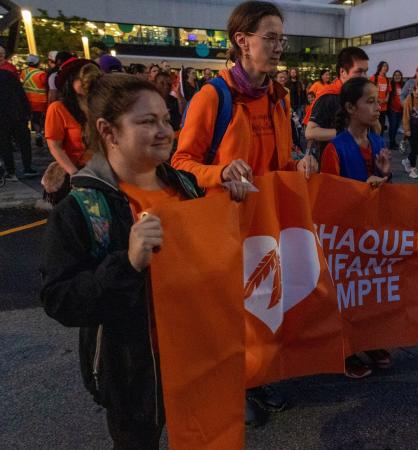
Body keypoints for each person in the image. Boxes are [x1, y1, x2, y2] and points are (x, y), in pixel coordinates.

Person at [40, 72, 248, 450]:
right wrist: (129, 263)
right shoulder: (83, 209)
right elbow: (61, 300)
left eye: (167, 119)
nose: (164, 131)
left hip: (200, 355)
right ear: (108, 131)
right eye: (147, 121)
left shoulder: (184, 186)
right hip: (135, 373)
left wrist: (228, 204)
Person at [171, 1, 316, 425]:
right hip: (224, 230)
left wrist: (301, 163)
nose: (277, 48)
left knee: (265, 306)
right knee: (231, 313)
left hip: (269, 226)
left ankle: (258, 375)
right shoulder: (212, 96)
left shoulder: (277, 97)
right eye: (269, 38)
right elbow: (180, 162)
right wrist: (218, 173)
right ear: (242, 41)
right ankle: (235, 386)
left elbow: (282, 163)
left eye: (280, 39)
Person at [320, 77, 393, 378]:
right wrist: (365, 188)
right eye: (370, 101)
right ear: (351, 107)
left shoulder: (377, 142)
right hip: (344, 237)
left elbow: (388, 193)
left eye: (378, 100)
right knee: (344, 294)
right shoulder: (334, 150)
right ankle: (344, 349)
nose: (378, 107)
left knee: (368, 291)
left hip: (370, 233)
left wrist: (385, 175)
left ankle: (369, 340)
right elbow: (327, 203)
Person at [45, 59, 101, 203]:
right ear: (70, 80)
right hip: (75, 176)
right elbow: (54, 146)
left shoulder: (100, 107)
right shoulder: (58, 108)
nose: (86, 82)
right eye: (80, 78)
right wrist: (75, 175)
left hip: (101, 173)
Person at [305, 47, 370, 158]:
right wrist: (348, 134)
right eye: (359, 71)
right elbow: (310, 132)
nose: (364, 77)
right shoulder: (329, 95)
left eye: (366, 71)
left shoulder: (360, 93)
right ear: (342, 72)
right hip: (334, 164)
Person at [0, 70, 35, 181]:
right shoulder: (8, 74)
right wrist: (27, 111)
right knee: (24, 142)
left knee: (5, 143)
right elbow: (21, 93)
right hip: (18, 113)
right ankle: (27, 168)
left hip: (3, 117)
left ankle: (11, 171)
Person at [22, 54, 48, 148]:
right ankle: (39, 134)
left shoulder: (23, 72)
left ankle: (34, 135)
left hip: (26, 100)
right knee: (39, 118)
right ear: (38, 63)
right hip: (39, 101)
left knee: (32, 118)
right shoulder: (41, 74)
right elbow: (46, 86)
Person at [369, 61, 391, 136]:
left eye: (386, 66)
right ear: (380, 67)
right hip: (374, 107)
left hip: (383, 108)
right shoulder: (374, 78)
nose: (385, 68)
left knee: (381, 127)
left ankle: (379, 143)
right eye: (384, 66)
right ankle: (372, 143)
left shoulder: (387, 80)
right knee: (373, 127)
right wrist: (377, 99)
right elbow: (369, 91)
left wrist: (386, 99)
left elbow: (388, 91)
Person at [386, 70, 403, 150]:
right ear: (393, 77)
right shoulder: (391, 84)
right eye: (395, 75)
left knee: (396, 127)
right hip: (392, 110)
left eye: (399, 75)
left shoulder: (403, 85)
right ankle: (391, 143)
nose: (397, 76)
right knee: (392, 126)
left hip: (400, 110)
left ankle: (393, 141)